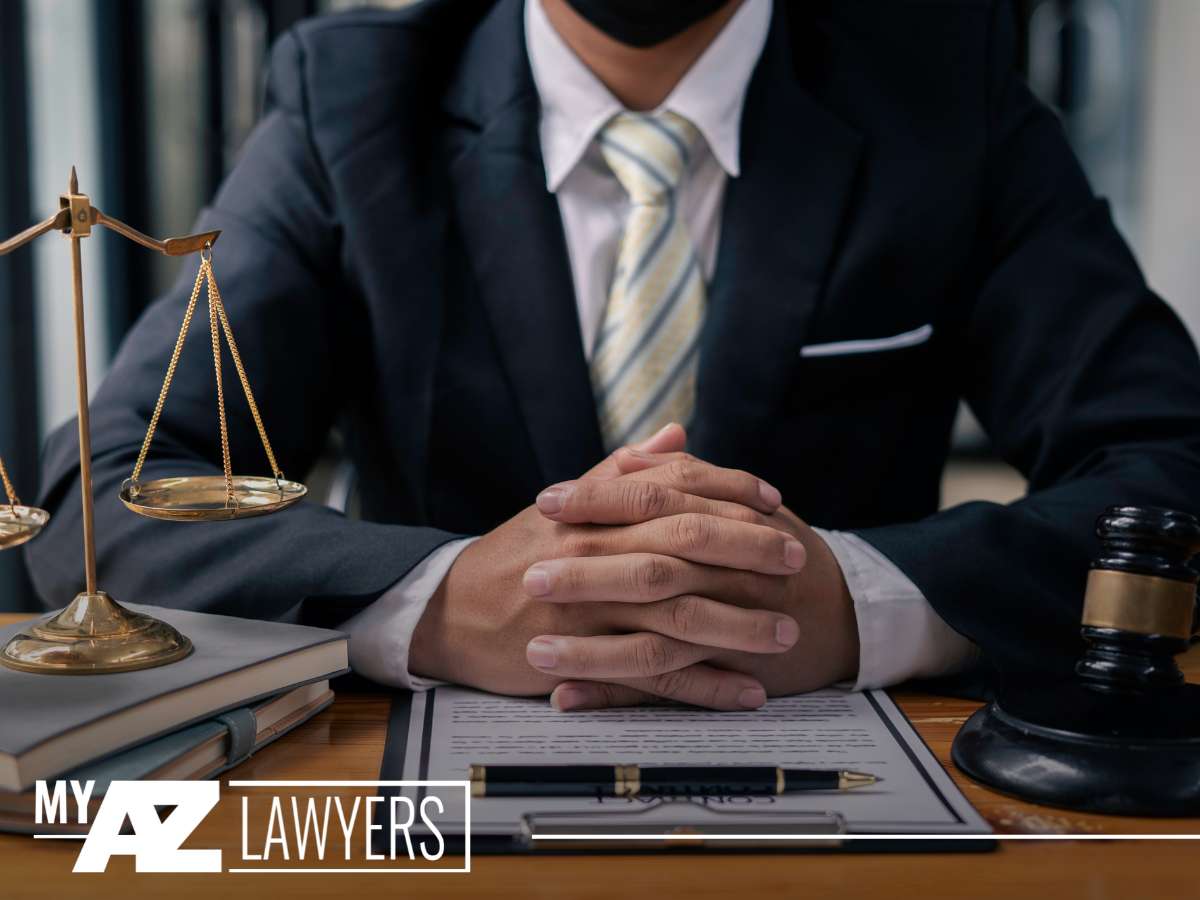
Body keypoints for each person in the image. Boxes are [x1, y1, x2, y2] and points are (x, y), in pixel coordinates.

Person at [27, 0, 1200, 711]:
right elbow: (112, 484)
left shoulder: (946, 97)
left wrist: (864, 599)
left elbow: (1169, 463)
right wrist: (438, 602)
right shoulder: (352, 102)